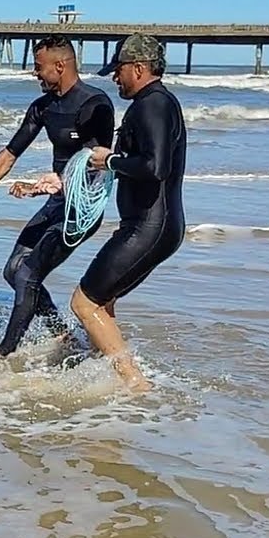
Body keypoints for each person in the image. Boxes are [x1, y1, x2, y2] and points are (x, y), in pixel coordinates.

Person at [0, 34, 117, 357]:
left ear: (60, 66)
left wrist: (48, 184)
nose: (35, 73)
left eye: (39, 67)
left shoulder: (95, 104)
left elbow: (98, 161)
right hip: (57, 201)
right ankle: (63, 335)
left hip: (81, 209)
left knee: (28, 272)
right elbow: (10, 153)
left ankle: (3, 354)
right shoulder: (43, 107)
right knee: (13, 270)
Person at [68, 32, 188, 392]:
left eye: (119, 70)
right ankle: (100, 371)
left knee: (84, 304)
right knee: (102, 303)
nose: (115, 78)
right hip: (155, 226)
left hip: (150, 227)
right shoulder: (157, 103)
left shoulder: (153, 104)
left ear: (138, 68)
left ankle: (136, 386)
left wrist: (111, 159)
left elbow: (155, 166)